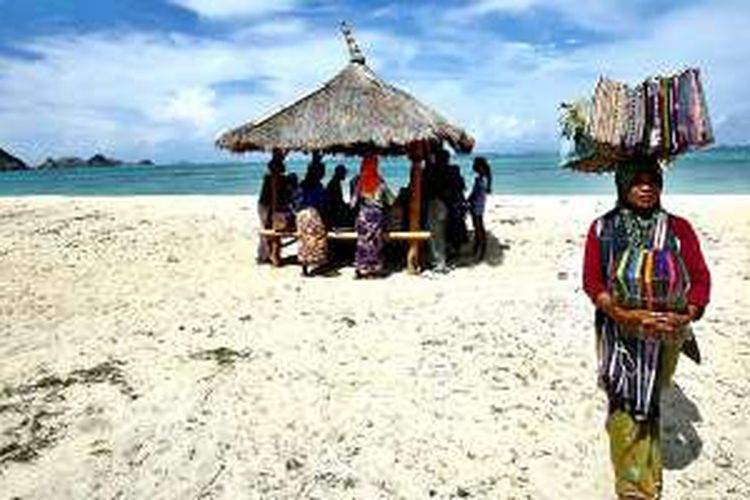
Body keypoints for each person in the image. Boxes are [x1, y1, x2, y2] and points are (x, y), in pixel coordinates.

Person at [582, 158, 711, 500]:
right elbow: (592, 281)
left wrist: (686, 315)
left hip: (667, 334)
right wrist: (622, 314)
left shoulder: (678, 228)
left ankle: (648, 474)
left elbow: (699, 278)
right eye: (637, 181)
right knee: (624, 400)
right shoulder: (601, 229)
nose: (645, 187)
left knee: (650, 396)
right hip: (618, 331)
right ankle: (634, 487)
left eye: (652, 181)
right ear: (622, 186)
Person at [351, 154, 394, 278]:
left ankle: (361, 268)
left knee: (362, 242)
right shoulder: (380, 182)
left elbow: (353, 204)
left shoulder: (359, 183)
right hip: (376, 216)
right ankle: (374, 269)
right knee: (375, 242)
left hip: (363, 216)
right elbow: (391, 200)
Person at [296, 153, 328, 276]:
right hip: (312, 213)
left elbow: (296, 200)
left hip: (301, 215)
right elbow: (322, 203)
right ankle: (318, 263)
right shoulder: (318, 186)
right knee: (317, 239)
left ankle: (304, 268)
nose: (323, 174)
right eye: (322, 172)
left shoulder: (303, 183)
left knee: (303, 240)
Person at [257, 150, 286, 264]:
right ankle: (267, 255)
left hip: (265, 204)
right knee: (268, 228)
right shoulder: (272, 177)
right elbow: (274, 195)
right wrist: (275, 210)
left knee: (268, 227)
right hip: (266, 205)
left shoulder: (273, 176)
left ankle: (267, 254)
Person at [467, 157, 492, 260]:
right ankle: (477, 247)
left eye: (475, 165)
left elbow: (476, 194)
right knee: (478, 226)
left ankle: (481, 250)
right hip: (478, 204)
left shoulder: (482, 179)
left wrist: (469, 200)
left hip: (477, 205)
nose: (474, 167)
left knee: (479, 227)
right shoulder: (484, 178)